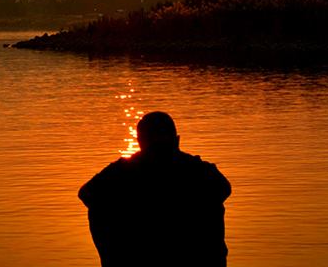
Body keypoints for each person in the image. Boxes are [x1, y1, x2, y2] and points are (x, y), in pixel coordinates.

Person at [79, 111, 231, 267]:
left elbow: (86, 194)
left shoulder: (123, 170)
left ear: (140, 142)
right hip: (193, 254)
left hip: (146, 252)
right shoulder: (199, 169)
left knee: (98, 208)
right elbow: (224, 189)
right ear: (176, 140)